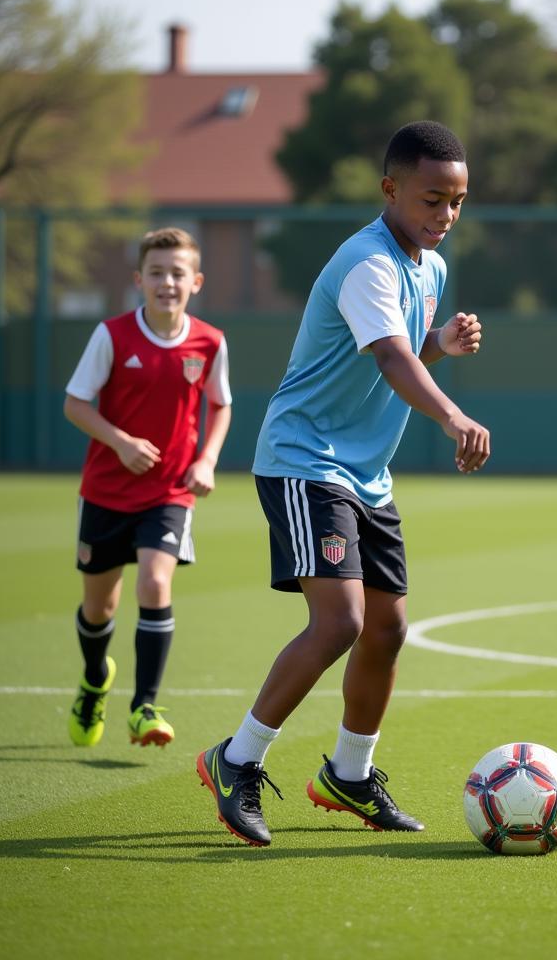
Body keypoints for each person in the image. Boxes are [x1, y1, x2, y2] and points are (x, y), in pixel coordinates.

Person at [197, 120, 490, 847]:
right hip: (304, 460)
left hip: (364, 474)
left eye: (456, 202)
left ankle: (349, 775)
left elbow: (399, 347)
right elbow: (390, 360)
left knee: (387, 629)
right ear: (390, 190)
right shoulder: (369, 262)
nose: (445, 215)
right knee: (341, 622)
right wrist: (452, 415)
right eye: (431, 199)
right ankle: (235, 761)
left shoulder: (430, 266)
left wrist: (440, 345)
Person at [64, 227, 232, 751]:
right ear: (139, 280)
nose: (167, 282)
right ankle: (94, 681)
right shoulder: (111, 336)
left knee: (156, 585)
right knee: (100, 609)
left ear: (196, 281)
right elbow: (76, 404)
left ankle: (144, 707)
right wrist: (120, 442)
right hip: (106, 493)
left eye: (177, 273)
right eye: (156, 273)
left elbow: (220, 405)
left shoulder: (210, 341)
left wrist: (206, 459)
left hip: (169, 493)